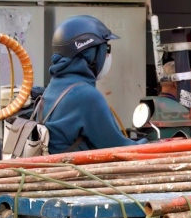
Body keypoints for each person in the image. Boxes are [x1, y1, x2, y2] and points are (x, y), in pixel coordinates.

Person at [41, 15, 142, 153]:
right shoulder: (85, 96)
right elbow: (118, 148)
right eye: (106, 49)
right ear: (90, 54)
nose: (107, 56)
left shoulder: (56, 85)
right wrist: (153, 144)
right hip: (77, 172)